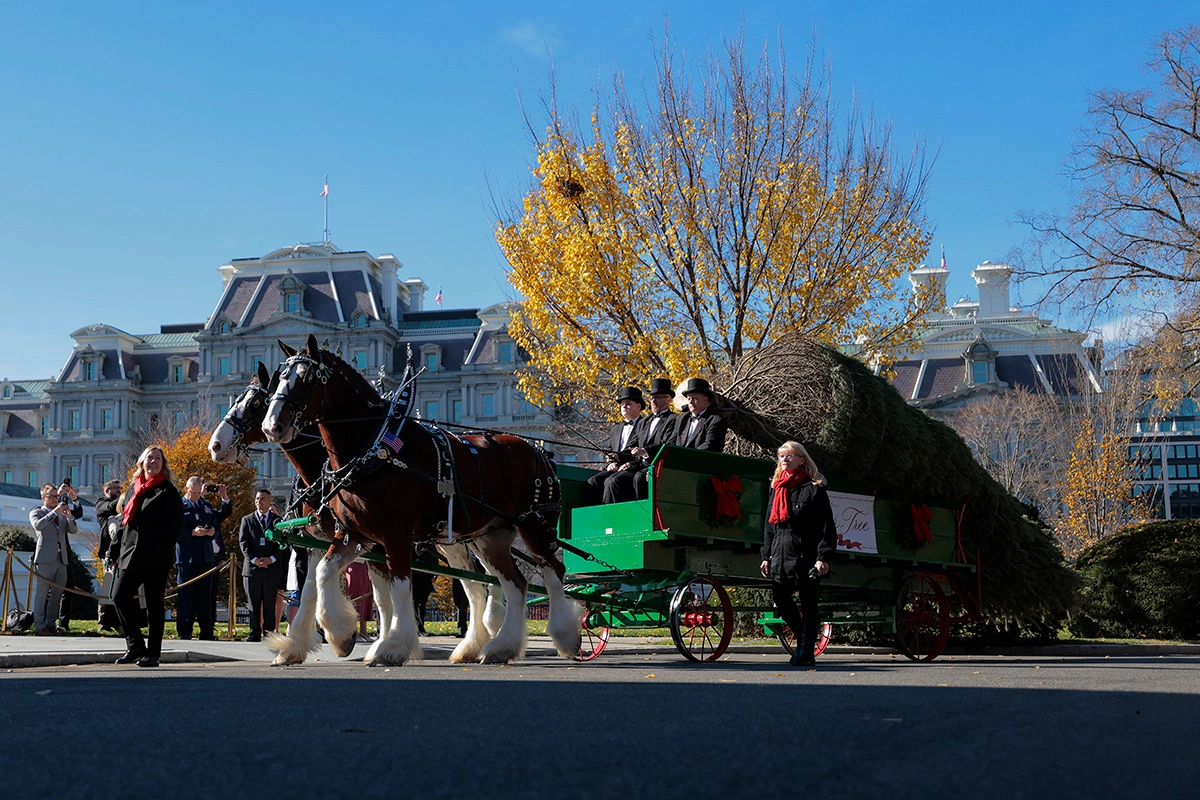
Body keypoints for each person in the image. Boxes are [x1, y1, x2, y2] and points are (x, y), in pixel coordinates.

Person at [759, 441, 836, 668]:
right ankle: (805, 640)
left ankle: (805, 651)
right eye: (781, 455)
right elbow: (769, 526)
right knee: (781, 601)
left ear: (802, 459)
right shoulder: (777, 487)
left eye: (790, 455)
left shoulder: (814, 488)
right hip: (780, 555)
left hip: (806, 555)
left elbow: (826, 526)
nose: (784, 459)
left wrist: (823, 557)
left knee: (808, 603)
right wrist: (766, 555)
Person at [112, 446, 184, 667]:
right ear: (141, 462)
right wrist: (113, 551)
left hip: (155, 557)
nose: (153, 461)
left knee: (154, 605)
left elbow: (175, 528)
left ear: (163, 464)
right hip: (129, 554)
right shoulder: (132, 490)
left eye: (158, 459)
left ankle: (153, 654)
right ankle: (135, 646)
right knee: (118, 596)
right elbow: (123, 523)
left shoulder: (168, 491)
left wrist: (158, 546)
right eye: (149, 458)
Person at [176, 477, 232, 641]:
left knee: (205, 596)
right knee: (186, 595)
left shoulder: (206, 506)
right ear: (187, 490)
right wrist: (192, 532)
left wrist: (211, 532)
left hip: (205, 556)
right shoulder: (179, 506)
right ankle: (185, 631)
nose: (195, 495)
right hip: (187, 557)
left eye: (198, 493)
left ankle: (206, 631)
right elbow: (173, 531)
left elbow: (216, 525)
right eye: (193, 492)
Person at [29, 483, 77, 636]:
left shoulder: (62, 514)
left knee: (57, 594)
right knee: (42, 593)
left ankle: (50, 623)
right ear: (43, 498)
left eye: (57, 496)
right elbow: (38, 526)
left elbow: (74, 530)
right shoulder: (37, 512)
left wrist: (69, 517)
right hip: (45, 559)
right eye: (52, 496)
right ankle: (39, 625)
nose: (56, 499)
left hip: (61, 559)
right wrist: (54, 512)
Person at [584, 386, 646, 505]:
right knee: (593, 481)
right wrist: (610, 463)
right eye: (622, 404)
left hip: (633, 469)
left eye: (628, 403)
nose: (624, 406)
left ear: (638, 406)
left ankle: (611, 517)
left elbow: (644, 451)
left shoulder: (644, 426)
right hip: (615, 469)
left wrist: (630, 464)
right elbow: (609, 451)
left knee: (612, 482)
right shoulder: (616, 429)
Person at [238, 489, 285, 642]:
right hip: (252, 570)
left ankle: (270, 634)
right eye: (257, 498)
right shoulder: (247, 519)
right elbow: (243, 543)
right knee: (253, 603)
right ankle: (254, 633)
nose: (259, 501)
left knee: (270, 603)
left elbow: (281, 544)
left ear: (270, 500)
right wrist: (254, 560)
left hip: (271, 569)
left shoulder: (277, 521)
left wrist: (271, 559)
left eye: (263, 499)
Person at [624, 378, 681, 500]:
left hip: (658, 464)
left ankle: (644, 516)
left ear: (668, 399)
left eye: (658, 398)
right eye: (651, 398)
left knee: (639, 478)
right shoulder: (644, 421)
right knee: (613, 480)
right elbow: (633, 444)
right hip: (639, 464)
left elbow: (668, 443)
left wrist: (645, 451)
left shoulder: (674, 419)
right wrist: (618, 457)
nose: (654, 401)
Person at [95, 479, 124, 633]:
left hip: (123, 552)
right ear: (107, 491)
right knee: (108, 586)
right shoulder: (101, 503)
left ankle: (119, 622)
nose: (118, 490)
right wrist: (122, 500)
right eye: (115, 488)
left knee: (120, 588)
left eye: (120, 488)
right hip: (108, 552)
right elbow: (107, 508)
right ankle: (103, 622)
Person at [54, 479, 84, 633]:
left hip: (65, 553)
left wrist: (74, 499)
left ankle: (63, 623)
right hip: (50, 555)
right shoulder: (49, 506)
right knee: (48, 590)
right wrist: (58, 495)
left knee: (68, 588)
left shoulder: (63, 506)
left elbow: (77, 514)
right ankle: (46, 622)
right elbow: (45, 513)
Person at [674, 378, 728, 452]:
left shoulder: (715, 421)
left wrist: (686, 456)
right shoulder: (681, 418)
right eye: (689, 398)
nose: (690, 402)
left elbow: (710, 445)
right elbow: (671, 442)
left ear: (705, 400)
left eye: (694, 399)